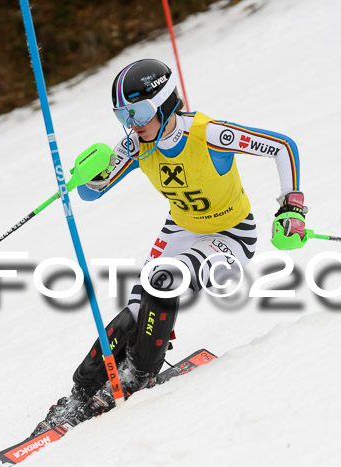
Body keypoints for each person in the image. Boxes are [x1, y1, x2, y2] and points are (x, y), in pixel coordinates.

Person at [32, 58, 306, 435]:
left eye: (139, 111)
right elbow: (95, 190)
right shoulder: (134, 144)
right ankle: (82, 391)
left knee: (164, 280)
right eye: (122, 115)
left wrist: (292, 205)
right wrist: (85, 173)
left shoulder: (208, 134)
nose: (132, 123)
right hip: (180, 230)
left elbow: (281, 146)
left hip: (230, 235)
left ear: (164, 102)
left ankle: (137, 374)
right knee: (135, 308)